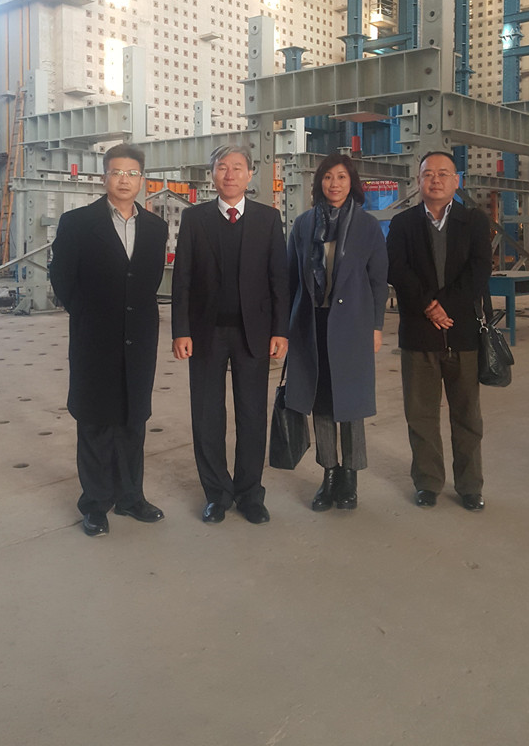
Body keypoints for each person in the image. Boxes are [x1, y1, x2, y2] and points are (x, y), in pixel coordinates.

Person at [50, 142, 168, 537]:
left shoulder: (156, 228)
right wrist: (87, 315)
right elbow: (62, 278)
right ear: (104, 177)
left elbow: (148, 281)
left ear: (142, 179)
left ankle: (131, 497)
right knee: (96, 420)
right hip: (94, 338)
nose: (124, 179)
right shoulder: (77, 223)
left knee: (133, 419)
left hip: (139, 338)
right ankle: (96, 503)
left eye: (132, 173)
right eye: (117, 172)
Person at [172, 145, 289, 525]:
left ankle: (250, 494)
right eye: (222, 167)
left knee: (252, 415)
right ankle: (217, 495)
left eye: (237, 167)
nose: (230, 174)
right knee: (207, 415)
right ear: (212, 175)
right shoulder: (194, 219)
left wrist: (280, 330)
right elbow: (182, 279)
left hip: (253, 334)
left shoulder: (268, 219)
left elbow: (279, 279)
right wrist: (180, 330)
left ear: (250, 174)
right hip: (205, 332)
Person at [386, 150, 492, 511]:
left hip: (462, 333)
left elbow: (480, 270)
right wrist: (428, 306)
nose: (435, 180)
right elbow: (396, 269)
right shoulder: (402, 224)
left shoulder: (474, 221)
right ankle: (428, 482)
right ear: (418, 181)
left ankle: (470, 486)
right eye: (428, 174)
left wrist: (446, 305)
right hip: (419, 333)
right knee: (421, 415)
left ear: (456, 181)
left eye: (443, 174)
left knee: (467, 415)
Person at [285, 153, 389, 511]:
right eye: (328, 177)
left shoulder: (367, 226)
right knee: (321, 400)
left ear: (352, 183)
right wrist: (285, 328)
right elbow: (290, 277)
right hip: (312, 324)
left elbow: (378, 281)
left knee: (351, 402)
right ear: (319, 182)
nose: (334, 184)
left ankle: (350, 477)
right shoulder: (303, 225)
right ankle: (329, 473)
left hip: (353, 325)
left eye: (342, 177)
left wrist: (376, 326)